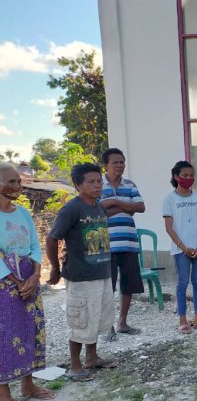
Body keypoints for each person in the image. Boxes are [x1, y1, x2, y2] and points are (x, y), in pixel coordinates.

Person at [47, 163, 118, 382]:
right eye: (91, 182)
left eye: (99, 181)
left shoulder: (98, 207)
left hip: (102, 272)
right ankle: (75, 366)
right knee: (80, 320)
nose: (97, 185)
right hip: (80, 275)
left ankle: (92, 357)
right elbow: (52, 238)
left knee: (96, 317)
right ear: (78, 185)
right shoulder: (71, 209)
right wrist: (55, 269)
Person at [0, 163, 54, 401]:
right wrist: (16, 281)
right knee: (4, 335)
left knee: (30, 329)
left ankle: (28, 385)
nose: (17, 187)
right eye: (11, 182)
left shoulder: (22, 212)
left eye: (18, 182)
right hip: (4, 284)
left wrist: (34, 276)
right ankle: (3, 394)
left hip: (29, 279)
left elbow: (34, 244)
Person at [100, 148, 145, 338]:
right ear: (106, 165)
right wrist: (125, 207)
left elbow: (140, 207)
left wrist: (114, 202)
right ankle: (107, 326)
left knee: (128, 284)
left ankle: (123, 323)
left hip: (128, 243)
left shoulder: (130, 184)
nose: (120, 165)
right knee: (106, 287)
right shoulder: (97, 184)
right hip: (106, 245)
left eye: (122, 162)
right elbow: (98, 212)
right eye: (115, 162)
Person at [162, 160, 197, 334]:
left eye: (191, 175)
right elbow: (169, 227)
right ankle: (182, 319)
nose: (189, 178)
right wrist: (183, 247)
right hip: (180, 250)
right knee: (182, 283)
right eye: (185, 175)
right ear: (176, 177)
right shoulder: (169, 199)